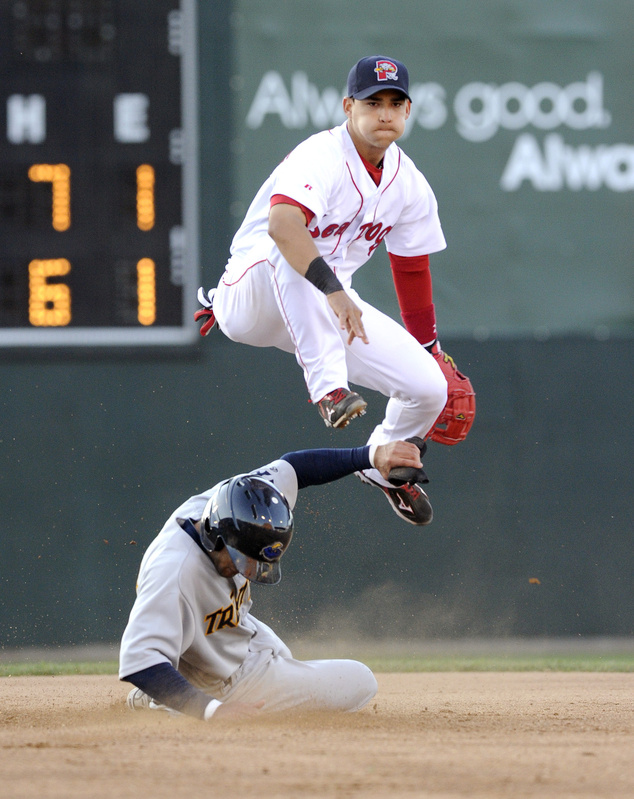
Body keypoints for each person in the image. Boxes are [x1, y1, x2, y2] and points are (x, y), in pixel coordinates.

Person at [195, 55, 475, 526]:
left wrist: (430, 348)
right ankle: (328, 391)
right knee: (292, 254)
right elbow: (284, 228)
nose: (384, 112)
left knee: (428, 388)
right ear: (348, 106)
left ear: (407, 112)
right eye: (372, 102)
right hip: (252, 293)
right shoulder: (321, 156)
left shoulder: (409, 184)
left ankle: (381, 465)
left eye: (395, 102)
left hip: (321, 307)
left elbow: (410, 268)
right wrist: (333, 290)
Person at [120, 439, 426, 722]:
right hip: (217, 678)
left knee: (283, 654)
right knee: (360, 681)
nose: (247, 569)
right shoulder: (174, 573)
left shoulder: (242, 500)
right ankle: (173, 700)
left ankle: (166, 697)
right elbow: (140, 659)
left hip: (233, 633)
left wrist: (372, 456)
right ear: (215, 536)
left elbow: (295, 468)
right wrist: (212, 711)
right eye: (242, 559)